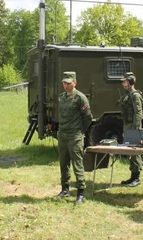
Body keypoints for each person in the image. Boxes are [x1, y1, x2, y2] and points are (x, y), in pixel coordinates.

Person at [55, 71, 92, 204]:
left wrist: (81, 131)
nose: (66, 86)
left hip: (75, 137)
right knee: (63, 164)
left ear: (75, 82)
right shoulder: (61, 97)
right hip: (63, 135)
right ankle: (65, 189)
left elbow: (88, 117)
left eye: (68, 83)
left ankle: (80, 193)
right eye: (64, 83)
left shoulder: (80, 97)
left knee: (77, 165)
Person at [119, 72, 143, 187]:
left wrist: (135, 130)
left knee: (135, 152)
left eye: (124, 81)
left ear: (130, 82)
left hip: (134, 126)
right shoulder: (127, 95)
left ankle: (137, 177)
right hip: (128, 125)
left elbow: (138, 113)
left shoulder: (135, 95)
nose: (122, 83)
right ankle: (132, 176)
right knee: (130, 151)